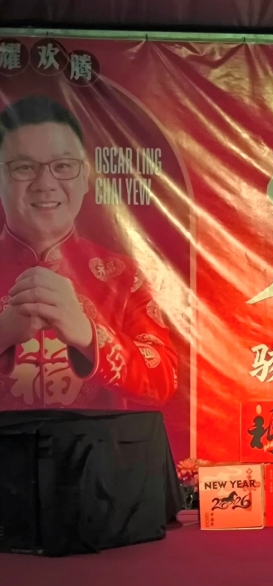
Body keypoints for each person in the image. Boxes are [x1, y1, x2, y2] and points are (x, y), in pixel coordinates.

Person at [0, 95, 179, 411]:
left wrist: (87, 335)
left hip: (94, 458)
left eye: (63, 166)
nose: (45, 183)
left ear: (84, 179)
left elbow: (163, 379)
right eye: (23, 167)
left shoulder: (121, 275)